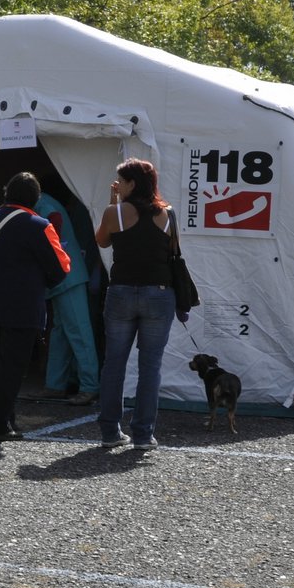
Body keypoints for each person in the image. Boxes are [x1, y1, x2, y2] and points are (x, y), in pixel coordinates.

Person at [0, 171, 71, 441]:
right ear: (35, 199)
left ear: (7, 192)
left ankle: (6, 420)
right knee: (13, 368)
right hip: (22, 305)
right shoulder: (39, 225)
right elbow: (61, 268)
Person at [94, 158, 177, 450]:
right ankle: (143, 435)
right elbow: (171, 252)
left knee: (114, 363)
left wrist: (114, 202)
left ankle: (110, 432)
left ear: (132, 183)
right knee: (150, 366)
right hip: (158, 293)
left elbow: (102, 242)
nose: (118, 184)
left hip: (121, 291)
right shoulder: (167, 215)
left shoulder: (113, 212)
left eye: (122, 181)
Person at [33, 185, 99, 406]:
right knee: (62, 332)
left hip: (67, 278)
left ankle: (89, 386)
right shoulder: (46, 203)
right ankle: (55, 385)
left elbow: (51, 234)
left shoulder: (45, 206)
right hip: (66, 277)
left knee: (78, 332)